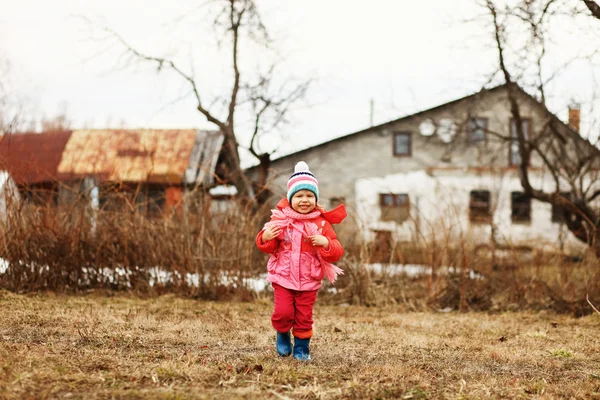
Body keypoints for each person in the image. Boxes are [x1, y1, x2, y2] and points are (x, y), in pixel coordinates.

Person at [255, 161, 346, 361]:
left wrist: (325, 242)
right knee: (283, 313)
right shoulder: (280, 220)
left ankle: (302, 348)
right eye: (299, 196)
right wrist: (266, 237)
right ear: (290, 199)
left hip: (309, 279)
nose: (304, 200)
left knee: (304, 317)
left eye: (309, 196)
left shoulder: (321, 224)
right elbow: (266, 246)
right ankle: (282, 334)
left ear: (315, 199)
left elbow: (337, 252)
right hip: (283, 277)